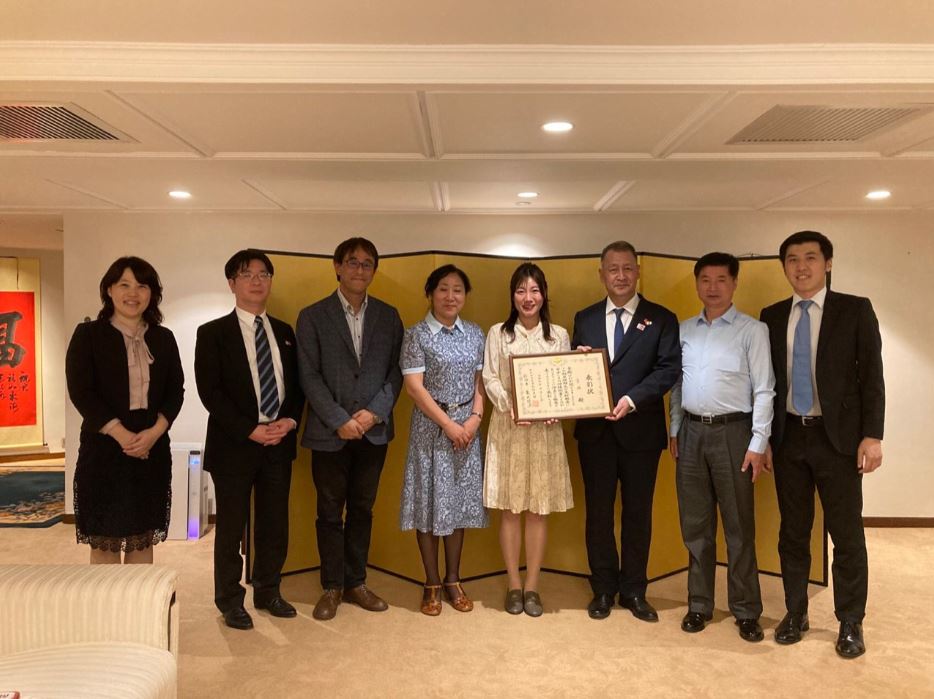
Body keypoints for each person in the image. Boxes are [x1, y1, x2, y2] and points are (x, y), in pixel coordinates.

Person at [760, 231, 884, 659]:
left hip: (839, 441)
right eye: (792, 259)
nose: (802, 267)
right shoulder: (772, 315)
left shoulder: (855, 310)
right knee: (793, 532)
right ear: (784, 267)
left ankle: (850, 621)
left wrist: (873, 435)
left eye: (811, 258)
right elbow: (767, 383)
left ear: (827, 263)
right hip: (789, 437)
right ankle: (796, 613)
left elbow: (872, 376)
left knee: (846, 534)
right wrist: (765, 438)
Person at [668, 252, 775, 642]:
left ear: (734, 284)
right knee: (695, 525)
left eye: (721, 280)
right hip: (691, 433)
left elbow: (765, 389)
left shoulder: (752, 330)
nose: (712, 288)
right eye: (705, 280)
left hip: (735, 434)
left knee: (738, 527)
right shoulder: (683, 330)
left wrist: (758, 442)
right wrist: (675, 429)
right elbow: (677, 386)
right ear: (697, 283)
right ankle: (699, 604)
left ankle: (746, 609)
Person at [194, 250, 304, 630]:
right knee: (230, 527)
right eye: (247, 274)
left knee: (274, 523)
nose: (256, 281)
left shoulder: (285, 333)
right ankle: (229, 599)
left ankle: (268, 590)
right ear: (232, 284)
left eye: (263, 274)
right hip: (234, 445)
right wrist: (249, 428)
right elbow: (210, 392)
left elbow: (297, 387)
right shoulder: (212, 333)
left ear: (271, 281)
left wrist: (289, 421)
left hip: (278, 443)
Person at [571, 240, 680, 621]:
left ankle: (634, 590)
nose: (620, 275)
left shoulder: (661, 318)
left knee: (638, 514)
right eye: (613, 269)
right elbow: (572, 372)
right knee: (598, 514)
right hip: (595, 434)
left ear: (638, 271)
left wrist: (632, 399)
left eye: (627, 268)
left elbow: (668, 369)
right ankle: (603, 588)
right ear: (601, 274)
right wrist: (576, 363)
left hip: (641, 433)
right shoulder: (584, 318)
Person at [296, 237, 404, 621]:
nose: (360, 269)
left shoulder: (389, 316)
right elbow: (308, 375)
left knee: (362, 509)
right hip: (330, 433)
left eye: (367, 263)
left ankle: (356, 582)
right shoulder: (313, 316)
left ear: (374, 271)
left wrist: (373, 414)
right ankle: (332, 586)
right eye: (353, 262)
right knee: (329, 512)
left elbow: (396, 372)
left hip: (373, 432)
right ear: (338, 267)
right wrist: (339, 419)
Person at [65, 256, 184, 564]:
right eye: (124, 285)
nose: (133, 293)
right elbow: (82, 392)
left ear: (152, 293)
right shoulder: (88, 335)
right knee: (104, 541)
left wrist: (154, 433)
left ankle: (139, 599)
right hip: (104, 449)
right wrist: (123, 436)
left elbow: (175, 392)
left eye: (142, 286)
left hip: (152, 449)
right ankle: (107, 601)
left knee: (141, 539)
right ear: (109, 290)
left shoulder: (163, 338)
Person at [482, 262, 573, 617]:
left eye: (534, 290)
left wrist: (555, 408)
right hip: (509, 429)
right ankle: (513, 584)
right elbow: (490, 378)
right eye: (521, 290)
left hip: (544, 433)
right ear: (512, 296)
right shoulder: (498, 334)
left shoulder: (558, 336)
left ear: (544, 294)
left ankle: (532, 586)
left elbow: (565, 382)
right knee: (510, 509)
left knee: (537, 510)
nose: (528, 297)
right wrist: (511, 406)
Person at [400, 264, 487, 616]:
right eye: (443, 289)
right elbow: (414, 388)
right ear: (430, 293)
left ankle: (453, 579)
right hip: (430, 430)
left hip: (467, 430)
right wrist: (449, 425)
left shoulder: (476, 333)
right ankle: (432, 582)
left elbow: (480, 382)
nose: (451, 296)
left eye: (458, 290)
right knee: (428, 504)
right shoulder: (416, 335)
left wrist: (475, 419)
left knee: (458, 505)